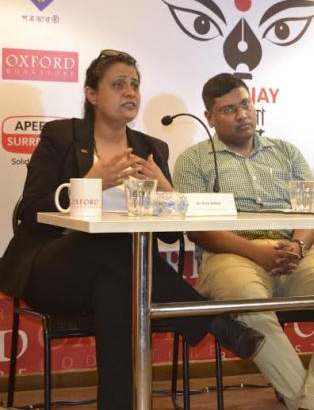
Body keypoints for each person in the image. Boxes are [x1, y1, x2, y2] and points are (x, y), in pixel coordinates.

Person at [0, 50, 265, 410]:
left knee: (118, 293)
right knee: (105, 240)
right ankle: (213, 320)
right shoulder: (61, 136)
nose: (130, 92)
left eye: (135, 85)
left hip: (122, 278)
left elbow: (169, 236)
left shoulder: (150, 148)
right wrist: (91, 182)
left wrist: (166, 192)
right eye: (118, 85)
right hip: (54, 271)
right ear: (92, 94)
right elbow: (31, 210)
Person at [172, 73, 314, 410]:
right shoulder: (194, 159)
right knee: (249, 306)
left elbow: (311, 210)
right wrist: (256, 252)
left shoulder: (286, 152)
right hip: (231, 253)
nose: (242, 114)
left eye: (245, 104)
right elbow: (198, 230)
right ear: (209, 117)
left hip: (294, 252)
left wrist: (298, 247)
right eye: (229, 109)